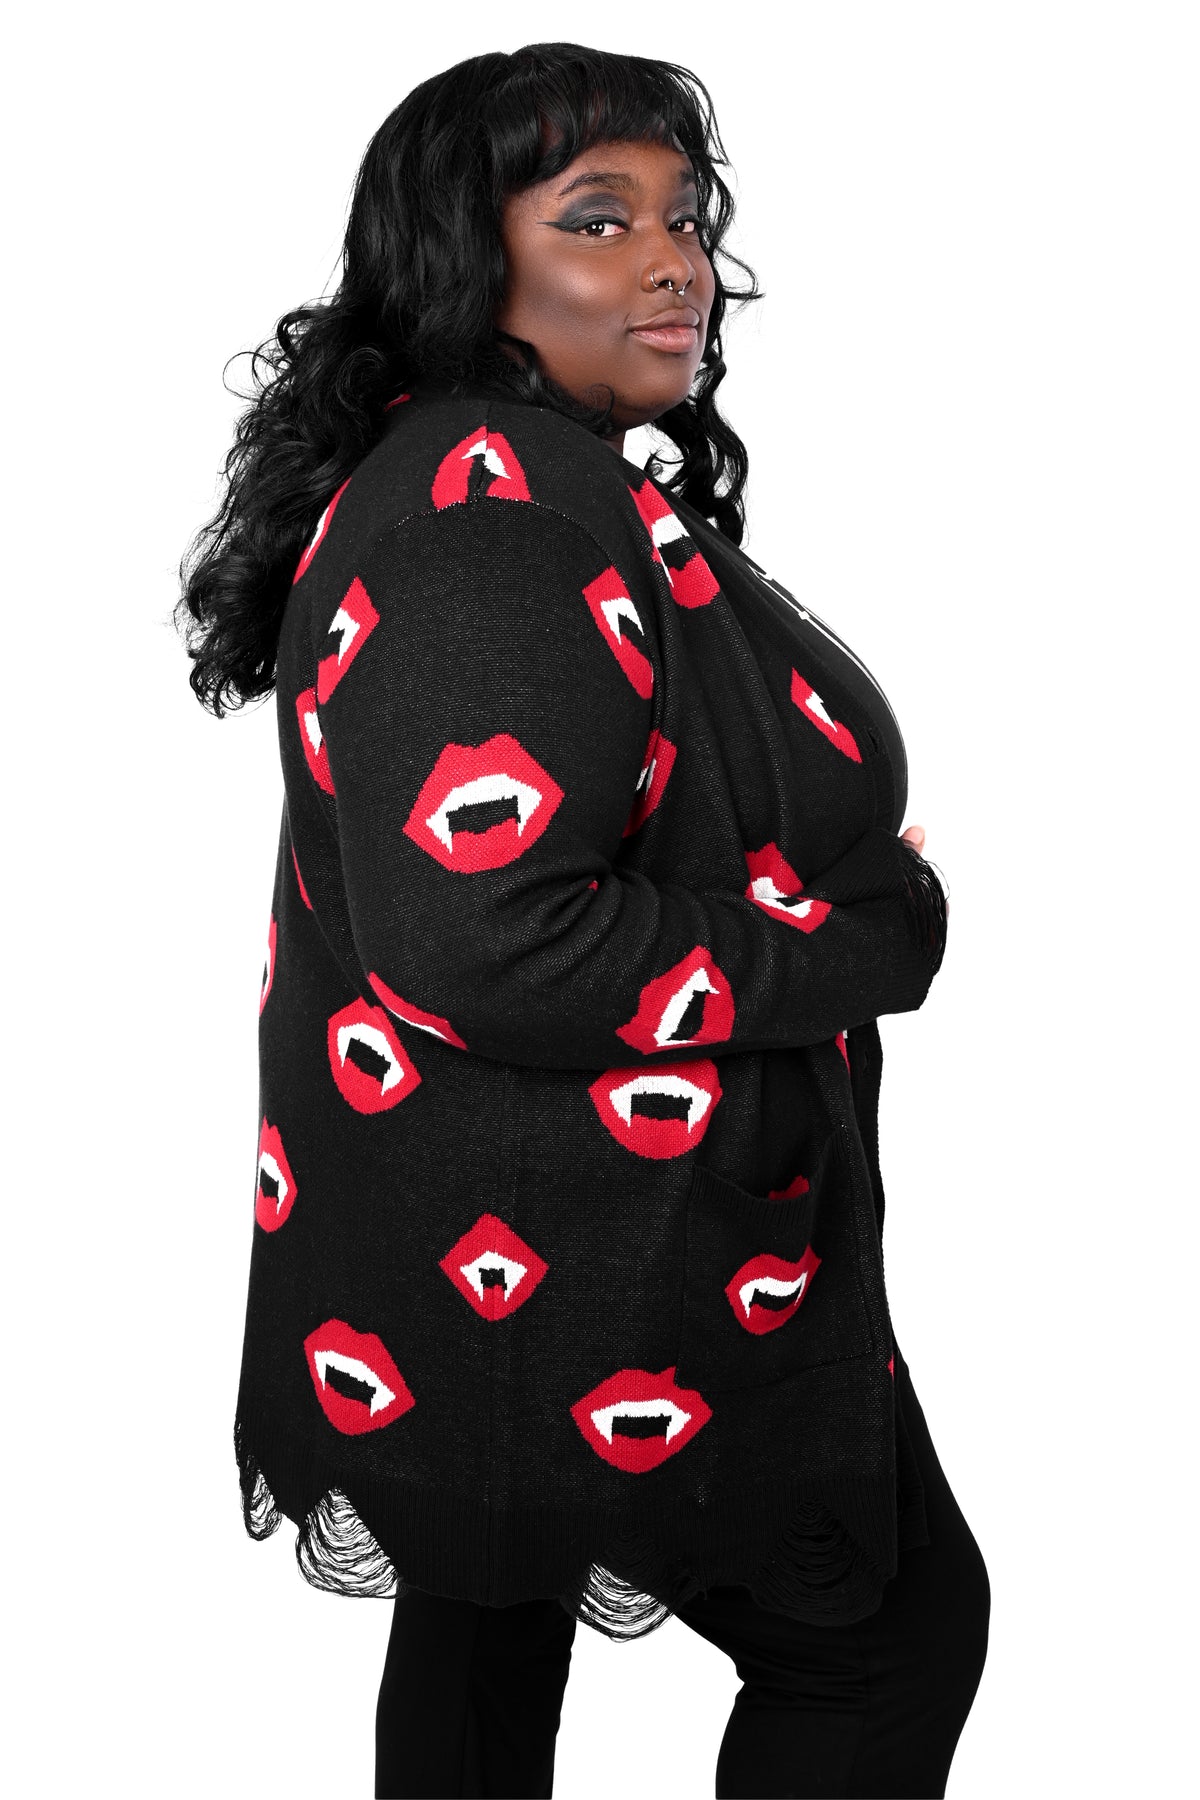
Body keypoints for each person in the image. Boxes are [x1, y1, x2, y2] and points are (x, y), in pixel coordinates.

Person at [176, 42, 990, 1800]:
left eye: (686, 218)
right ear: (465, 262)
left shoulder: (525, 475)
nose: (674, 263)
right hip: (589, 1251)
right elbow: (490, 936)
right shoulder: (496, 512)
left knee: (486, 1631)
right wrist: (860, 937)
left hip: (511, 1235)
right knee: (884, 1637)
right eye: (599, 221)